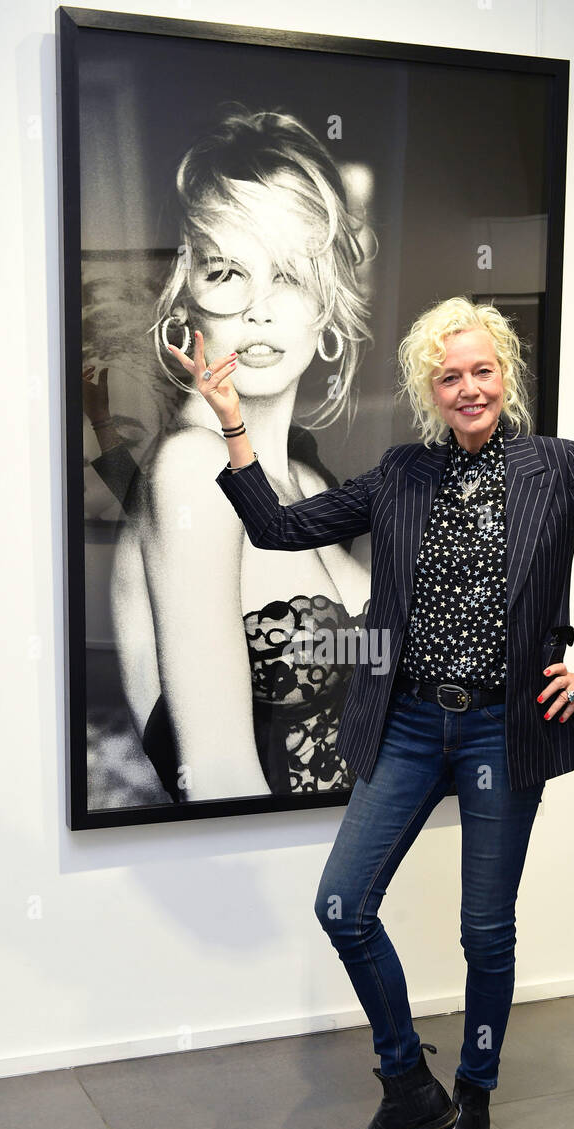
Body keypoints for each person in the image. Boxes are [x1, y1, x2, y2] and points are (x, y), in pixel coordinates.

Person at [176, 295, 574, 1129]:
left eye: (482, 371)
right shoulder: (401, 474)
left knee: (484, 933)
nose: (468, 388)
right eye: (448, 376)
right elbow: (278, 527)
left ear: (507, 376)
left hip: (504, 729)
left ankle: (475, 1099)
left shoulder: (555, 469)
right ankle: (407, 1084)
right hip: (411, 720)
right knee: (343, 904)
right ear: (429, 389)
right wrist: (232, 421)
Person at [83, 104, 376, 803]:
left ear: (327, 300)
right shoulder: (192, 471)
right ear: (184, 297)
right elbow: (218, 779)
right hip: (279, 896)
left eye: (291, 273)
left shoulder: (304, 479)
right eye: (227, 272)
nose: (260, 309)